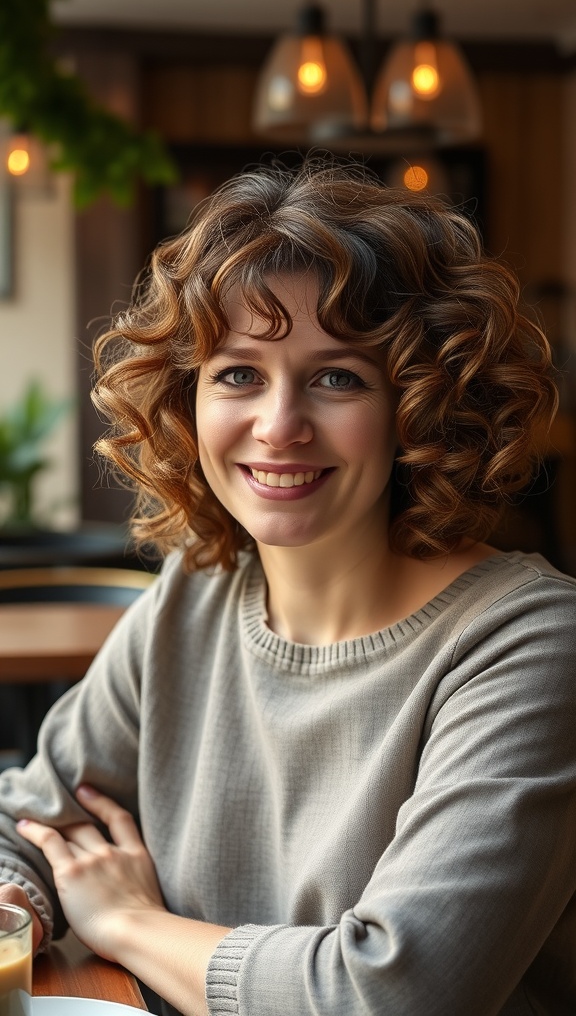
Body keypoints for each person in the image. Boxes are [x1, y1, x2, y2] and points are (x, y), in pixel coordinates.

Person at [0, 156, 575, 1016]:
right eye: (238, 374)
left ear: (417, 406)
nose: (280, 426)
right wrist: (19, 907)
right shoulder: (195, 597)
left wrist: (126, 923)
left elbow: (393, 994)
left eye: (338, 377)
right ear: (187, 400)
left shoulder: (526, 647)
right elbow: (31, 819)